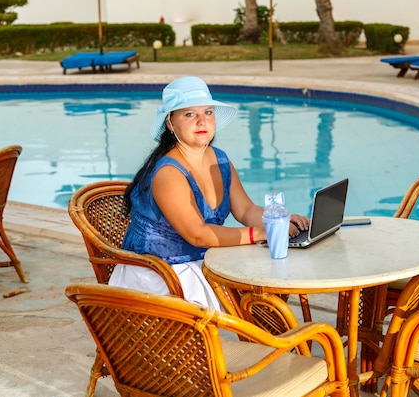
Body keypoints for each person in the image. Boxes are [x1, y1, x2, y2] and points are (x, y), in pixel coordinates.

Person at [109, 76, 310, 309]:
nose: (201, 121)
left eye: (208, 112)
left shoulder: (220, 160)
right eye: (190, 114)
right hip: (160, 277)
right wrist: (259, 233)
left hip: (200, 263)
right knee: (253, 287)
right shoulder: (168, 173)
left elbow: (245, 209)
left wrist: (276, 219)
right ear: (171, 124)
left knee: (270, 277)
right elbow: (197, 235)